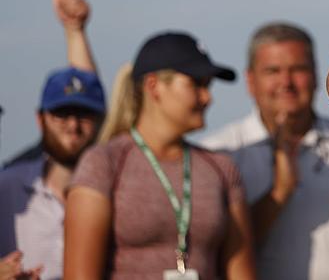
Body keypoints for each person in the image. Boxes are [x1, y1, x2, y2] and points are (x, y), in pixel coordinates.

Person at [201, 22, 329, 280]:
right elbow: (215, 255)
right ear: (250, 81)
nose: (286, 82)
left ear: (317, 75)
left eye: (298, 70)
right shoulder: (220, 152)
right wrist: (280, 191)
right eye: (273, 71)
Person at [64, 32, 255, 280]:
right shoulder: (104, 163)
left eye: (207, 86)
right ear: (154, 86)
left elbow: (242, 273)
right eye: (197, 84)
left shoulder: (221, 169)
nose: (207, 98)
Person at [0, 0, 105, 280]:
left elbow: (91, 90)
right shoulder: (8, 186)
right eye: (61, 114)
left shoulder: (115, 184)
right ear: (40, 119)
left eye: (84, 115)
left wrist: (75, 33)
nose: (73, 125)